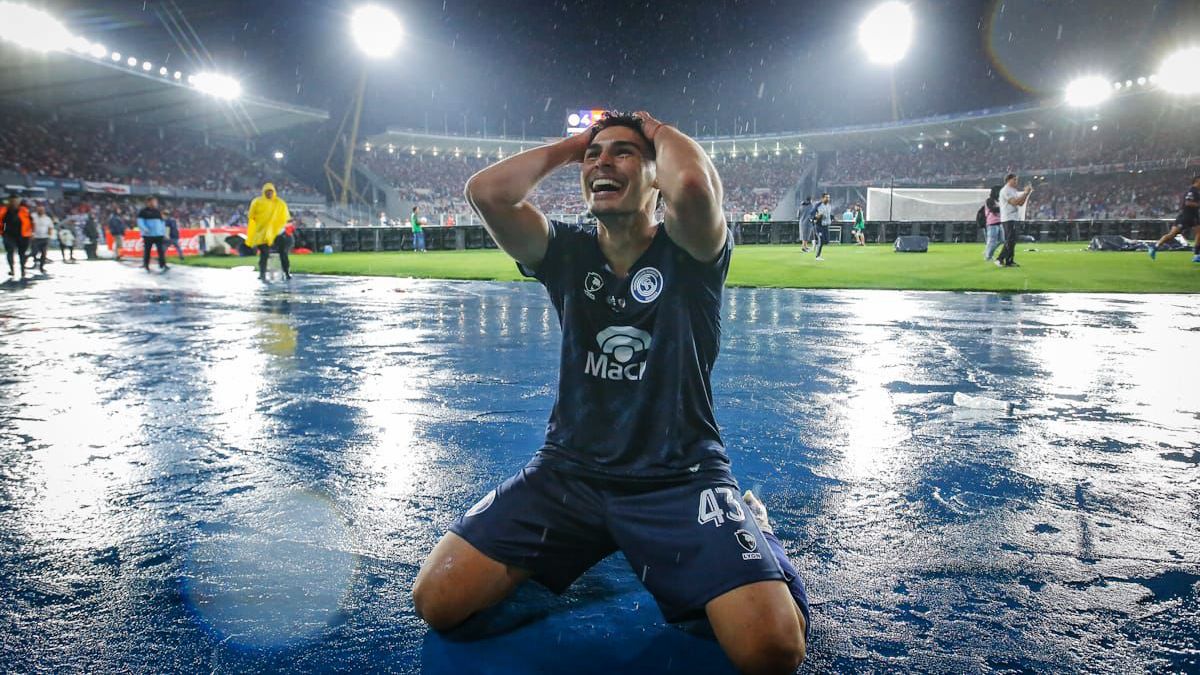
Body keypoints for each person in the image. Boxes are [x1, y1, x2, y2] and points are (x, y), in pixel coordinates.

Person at [413, 111, 810, 675]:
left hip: (678, 477)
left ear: (655, 177)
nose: (603, 162)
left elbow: (694, 185)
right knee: (438, 601)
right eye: (596, 156)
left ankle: (761, 533)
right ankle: (597, 538)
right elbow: (488, 193)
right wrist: (577, 145)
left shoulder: (690, 250)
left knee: (771, 654)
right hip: (568, 474)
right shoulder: (565, 252)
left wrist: (658, 130)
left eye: (623, 153)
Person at [1148, 175, 1200, 263]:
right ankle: (1155, 246)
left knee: (1199, 233)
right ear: (1197, 181)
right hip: (1186, 217)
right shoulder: (1192, 191)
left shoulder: (1197, 192)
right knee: (1172, 235)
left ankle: (1196, 255)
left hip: (1194, 216)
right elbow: (1188, 202)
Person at [245, 183, 292, 280]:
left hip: (277, 233)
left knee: (283, 252)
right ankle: (262, 274)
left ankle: (287, 272)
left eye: (271, 192)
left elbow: (285, 217)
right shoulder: (257, 202)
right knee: (264, 253)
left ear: (274, 192)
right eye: (267, 192)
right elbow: (251, 216)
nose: (269, 194)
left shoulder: (280, 203)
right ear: (264, 192)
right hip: (262, 234)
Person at [997, 173, 1032, 268]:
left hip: (1014, 218)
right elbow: (1014, 202)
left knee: (1012, 240)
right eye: (1015, 179)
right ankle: (1001, 259)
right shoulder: (1005, 190)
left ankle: (1008, 260)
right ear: (1009, 180)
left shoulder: (1013, 190)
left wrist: (1026, 194)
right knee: (1010, 240)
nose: (1017, 181)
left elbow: (1020, 203)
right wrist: (1025, 193)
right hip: (1008, 218)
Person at [1, 194, 32, 280]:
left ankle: (23, 269)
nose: (14, 202)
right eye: (12, 201)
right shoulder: (4, 210)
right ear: (10, 201)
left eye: (16, 200)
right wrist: (3, 231)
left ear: (19, 201)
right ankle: (12, 269)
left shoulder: (24, 210)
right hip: (8, 235)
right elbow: (1, 222)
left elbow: (30, 221)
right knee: (10, 251)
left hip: (23, 235)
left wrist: (31, 233)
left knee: (22, 254)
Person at [137, 197, 169, 271]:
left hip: (158, 235)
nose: (155, 203)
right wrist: (145, 229)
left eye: (156, 202)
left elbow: (162, 223)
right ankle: (146, 265)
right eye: (153, 202)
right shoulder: (143, 211)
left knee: (161, 251)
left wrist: (164, 233)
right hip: (148, 235)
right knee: (147, 251)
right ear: (148, 202)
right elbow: (140, 222)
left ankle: (162, 265)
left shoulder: (158, 211)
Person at [29, 204, 54, 274]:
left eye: (42, 210)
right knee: (34, 252)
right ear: (37, 210)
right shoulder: (33, 216)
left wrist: (50, 235)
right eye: (39, 210)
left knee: (44, 253)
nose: (41, 211)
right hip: (35, 238)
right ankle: (27, 261)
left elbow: (50, 227)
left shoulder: (47, 218)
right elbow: (29, 225)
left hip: (45, 238)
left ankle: (41, 267)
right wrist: (31, 234)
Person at [983, 185, 1003, 261]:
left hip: (999, 222)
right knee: (992, 241)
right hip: (992, 223)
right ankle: (988, 256)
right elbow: (993, 209)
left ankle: (987, 251)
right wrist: (1003, 208)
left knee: (1002, 240)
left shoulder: (998, 201)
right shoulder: (989, 200)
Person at [812, 193, 833, 261]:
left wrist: (833, 218)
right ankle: (817, 256)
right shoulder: (818, 205)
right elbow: (812, 213)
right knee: (821, 240)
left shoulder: (829, 206)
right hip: (819, 226)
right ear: (822, 198)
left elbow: (829, 215)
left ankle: (815, 242)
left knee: (826, 241)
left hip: (826, 226)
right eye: (826, 197)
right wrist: (815, 217)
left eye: (828, 197)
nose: (828, 199)